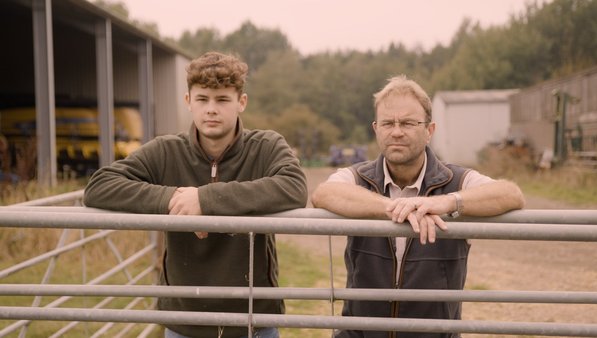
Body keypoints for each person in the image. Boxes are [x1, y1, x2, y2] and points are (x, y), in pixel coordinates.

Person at [83, 51, 308, 338]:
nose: (211, 109)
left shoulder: (265, 146)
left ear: (241, 102)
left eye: (222, 99)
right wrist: (174, 199)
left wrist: (205, 200)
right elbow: (100, 185)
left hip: (253, 319)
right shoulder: (166, 150)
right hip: (184, 320)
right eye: (202, 99)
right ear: (188, 101)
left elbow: (294, 186)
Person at [311, 74, 525, 338]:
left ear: (429, 131)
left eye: (408, 123)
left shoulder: (455, 180)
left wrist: (447, 201)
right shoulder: (358, 177)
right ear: (376, 129)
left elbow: (510, 193)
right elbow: (324, 193)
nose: (397, 131)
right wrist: (392, 207)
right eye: (388, 123)